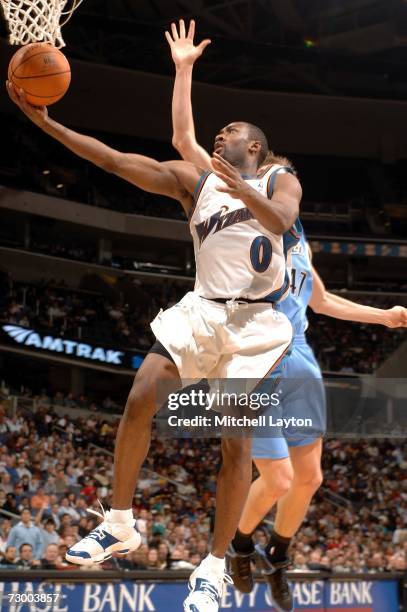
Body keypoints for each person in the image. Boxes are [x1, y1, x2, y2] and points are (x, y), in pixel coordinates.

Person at [7, 60, 302, 611]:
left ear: (256, 147)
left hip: (257, 325)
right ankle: (118, 523)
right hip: (204, 311)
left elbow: (282, 222)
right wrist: (47, 125)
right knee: (142, 393)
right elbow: (114, 160)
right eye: (218, 134)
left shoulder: (277, 179)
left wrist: (243, 188)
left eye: (231, 132)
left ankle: (213, 569)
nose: (220, 135)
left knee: (236, 444)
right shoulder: (195, 184)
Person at [165, 18, 407, 612]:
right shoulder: (225, 191)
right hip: (249, 350)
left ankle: (279, 551)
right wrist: (184, 70)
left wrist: (386, 317)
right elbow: (184, 142)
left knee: (311, 479)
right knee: (271, 479)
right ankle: (238, 547)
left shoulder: (295, 240)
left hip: (297, 354)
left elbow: (321, 302)